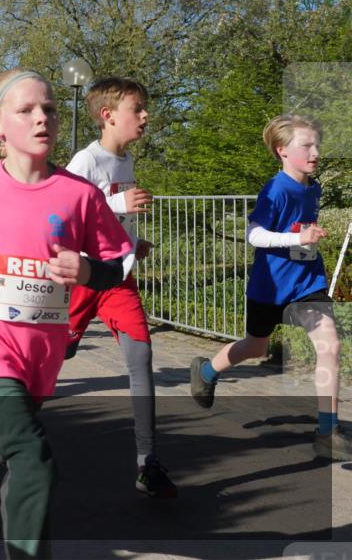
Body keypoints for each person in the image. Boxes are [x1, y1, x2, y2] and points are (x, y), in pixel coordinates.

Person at [0, 69, 133, 558]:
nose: (43, 118)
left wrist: (88, 271)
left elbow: (117, 264)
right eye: (27, 110)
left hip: (44, 347)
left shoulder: (80, 194)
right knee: (32, 457)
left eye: (50, 109)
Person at [190, 114, 351, 461]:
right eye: (306, 145)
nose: (315, 152)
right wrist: (296, 237)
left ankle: (328, 429)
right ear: (282, 150)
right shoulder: (275, 189)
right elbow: (254, 234)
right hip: (270, 286)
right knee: (255, 347)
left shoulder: (314, 186)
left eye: (317, 144)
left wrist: (307, 238)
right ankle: (205, 371)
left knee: (330, 345)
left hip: (308, 282)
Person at [63, 77, 177, 498]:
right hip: (80, 279)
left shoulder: (125, 162)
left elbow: (112, 224)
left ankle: (147, 462)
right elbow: (68, 217)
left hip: (118, 279)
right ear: (108, 116)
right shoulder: (85, 161)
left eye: (146, 108)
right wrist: (116, 205)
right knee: (57, 353)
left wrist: (131, 242)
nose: (146, 116)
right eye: (138, 109)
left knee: (141, 358)